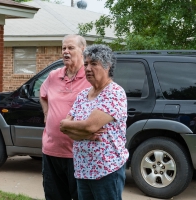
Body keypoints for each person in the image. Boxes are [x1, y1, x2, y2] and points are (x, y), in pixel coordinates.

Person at [60, 44, 129, 200]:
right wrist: (83, 133)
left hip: (107, 170)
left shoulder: (114, 93)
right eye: (86, 64)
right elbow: (65, 128)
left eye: (94, 64)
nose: (88, 68)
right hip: (83, 169)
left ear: (107, 66)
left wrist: (75, 127)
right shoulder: (83, 94)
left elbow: (90, 125)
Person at [40, 34, 91, 200]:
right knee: (54, 196)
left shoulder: (90, 77)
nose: (66, 52)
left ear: (83, 50)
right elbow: (43, 94)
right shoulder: (54, 75)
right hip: (51, 150)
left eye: (71, 48)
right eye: (63, 48)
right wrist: (47, 114)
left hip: (79, 153)